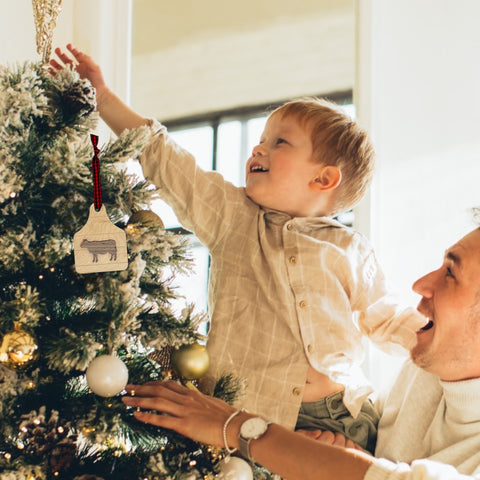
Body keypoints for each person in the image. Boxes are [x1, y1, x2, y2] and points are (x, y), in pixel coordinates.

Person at [50, 45, 426, 453]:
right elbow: (168, 160)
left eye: (279, 142)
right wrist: (103, 96)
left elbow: (387, 319)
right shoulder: (234, 218)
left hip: (338, 416)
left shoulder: (349, 248)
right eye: (261, 139)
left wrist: (443, 341)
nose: (257, 149)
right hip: (245, 412)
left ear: (323, 179)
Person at [122, 225, 480, 479]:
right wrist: (350, 454)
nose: (421, 285)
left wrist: (235, 426)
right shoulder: (427, 368)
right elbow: (381, 463)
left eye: (450, 273)